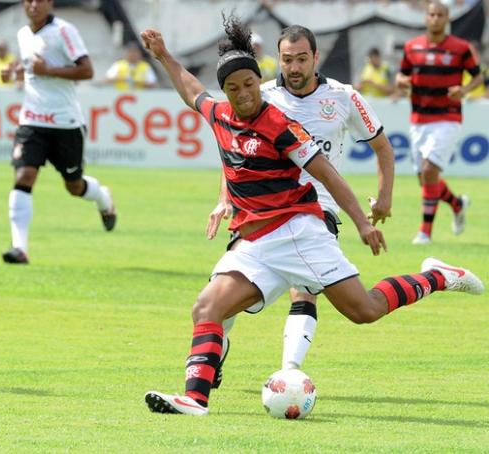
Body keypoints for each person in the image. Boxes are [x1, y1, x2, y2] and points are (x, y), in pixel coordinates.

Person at [140, 14, 484, 416]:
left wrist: (361, 222)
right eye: (234, 88)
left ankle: (437, 276)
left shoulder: (280, 125)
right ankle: (195, 398)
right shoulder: (219, 116)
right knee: (206, 307)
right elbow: (190, 88)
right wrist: (164, 55)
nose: (244, 94)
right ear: (226, 92)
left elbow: (328, 175)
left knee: (365, 310)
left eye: (250, 84)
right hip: (255, 242)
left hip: (298, 232)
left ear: (259, 83)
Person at [207, 24, 395, 388]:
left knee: (304, 289)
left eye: (301, 59)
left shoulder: (344, 97)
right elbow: (233, 152)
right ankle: (213, 358)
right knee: (223, 293)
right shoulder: (257, 95)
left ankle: (289, 376)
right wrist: (222, 201)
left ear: (316, 58)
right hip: (262, 212)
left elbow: (383, 147)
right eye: (287, 60)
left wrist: (384, 198)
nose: (293, 68)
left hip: (316, 209)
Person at [1, 0, 116, 264]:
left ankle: (103, 197)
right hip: (31, 120)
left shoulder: (65, 30)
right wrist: (14, 71)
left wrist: (49, 71)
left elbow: (87, 70)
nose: (33, 5)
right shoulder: (23, 34)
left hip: (65, 122)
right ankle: (20, 248)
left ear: (49, 3)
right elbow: (30, 65)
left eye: (39, 0)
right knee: (24, 175)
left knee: (74, 186)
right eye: (28, 0)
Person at [395, 1, 483, 245]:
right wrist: (401, 81)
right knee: (426, 180)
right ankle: (457, 204)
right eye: (431, 14)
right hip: (419, 119)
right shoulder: (412, 47)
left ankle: (424, 233)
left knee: (429, 170)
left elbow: (479, 78)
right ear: (426, 18)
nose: (435, 18)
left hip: (447, 117)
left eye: (439, 15)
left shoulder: (461, 48)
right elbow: (401, 74)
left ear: (447, 18)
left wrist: (463, 90)